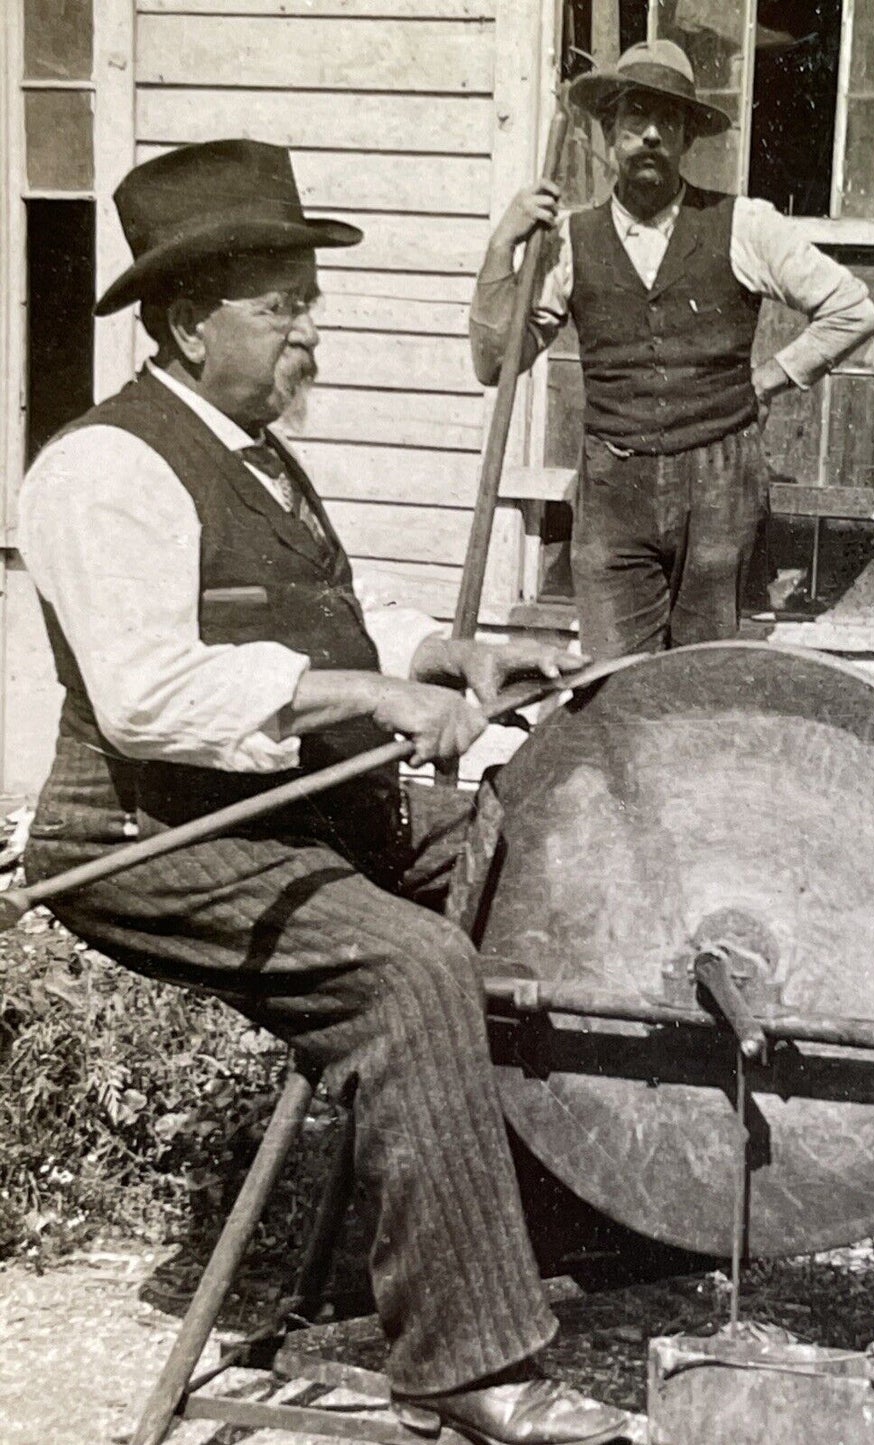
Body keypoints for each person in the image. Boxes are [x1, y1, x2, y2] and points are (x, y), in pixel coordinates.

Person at [19, 139, 638, 1445]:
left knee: (527, 846)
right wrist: (369, 700)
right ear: (191, 322)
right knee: (406, 967)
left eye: (311, 297)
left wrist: (442, 654)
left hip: (284, 808)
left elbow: (329, 620)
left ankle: (536, 1233)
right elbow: (147, 693)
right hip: (148, 832)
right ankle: (463, 1362)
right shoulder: (101, 468)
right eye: (284, 303)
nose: (314, 328)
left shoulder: (252, 453)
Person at [470, 39, 874, 660]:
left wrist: (770, 378)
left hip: (720, 485)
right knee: (614, 679)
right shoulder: (570, 240)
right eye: (635, 119)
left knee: (702, 678)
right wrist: (504, 245)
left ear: (689, 139)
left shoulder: (744, 223)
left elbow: (853, 307)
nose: (651, 136)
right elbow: (494, 362)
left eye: (670, 121)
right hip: (612, 489)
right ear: (609, 133)